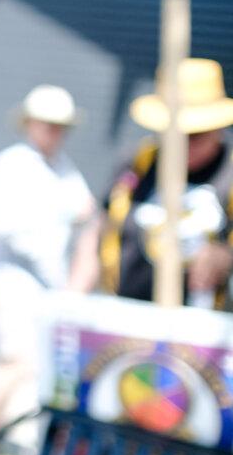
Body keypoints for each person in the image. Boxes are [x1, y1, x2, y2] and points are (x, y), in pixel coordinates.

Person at [0, 85, 97, 440]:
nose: (54, 131)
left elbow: (88, 213)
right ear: (29, 123)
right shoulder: (12, 164)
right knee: (20, 360)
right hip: (14, 282)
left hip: (51, 289)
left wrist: (77, 277)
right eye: (47, 123)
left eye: (61, 125)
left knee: (37, 365)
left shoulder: (64, 169)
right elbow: (2, 223)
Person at [85, 58, 233, 309]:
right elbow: (99, 226)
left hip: (201, 323)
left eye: (195, 136)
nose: (182, 145)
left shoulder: (228, 170)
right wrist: (72, 299)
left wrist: (225, 256)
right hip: (126, 311)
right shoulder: (137, 162)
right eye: (173, 134)